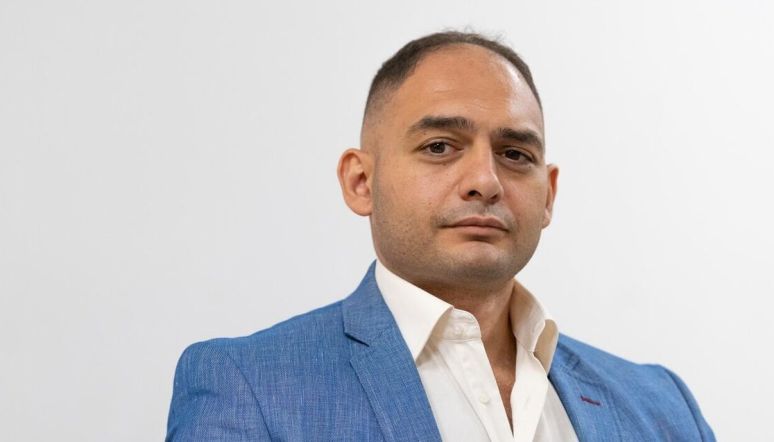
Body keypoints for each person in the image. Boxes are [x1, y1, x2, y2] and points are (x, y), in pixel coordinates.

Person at [165, 31, 715, 441]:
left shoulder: (661, 406)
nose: (485, 181)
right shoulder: (250, 386)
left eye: (515, 154)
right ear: (361, 181)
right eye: (439, 147)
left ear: (548, 195)